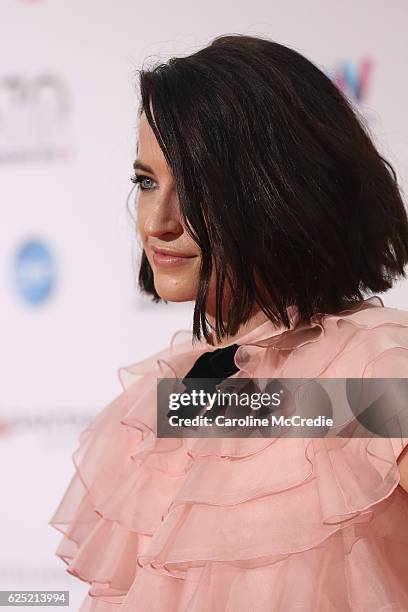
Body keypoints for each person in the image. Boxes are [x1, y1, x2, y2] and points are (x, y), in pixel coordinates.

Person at [49, 34, 408, 611]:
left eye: (195, 186)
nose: (158, 222)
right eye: (146, 182)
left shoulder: (376, 370)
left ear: (279, 190)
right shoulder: (165, 402)